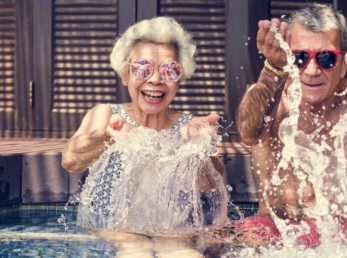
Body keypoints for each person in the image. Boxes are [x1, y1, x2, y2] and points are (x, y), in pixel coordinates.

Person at [235, 3, 347, 248]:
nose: (311, 70)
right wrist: (273, 70)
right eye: (299, 57)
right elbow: (248, 133)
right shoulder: (271, 97)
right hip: (275, 229)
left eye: (326, 58)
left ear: (344, 63)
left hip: (346, 232)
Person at [61, 16, 228, 257]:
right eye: (142, 68)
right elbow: (70, 160)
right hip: (114, 226)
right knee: (136, 248)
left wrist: (202, 148)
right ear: (125, 74)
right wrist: (106, 137)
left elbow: (210, 187)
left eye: (169, 70)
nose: (156, 79)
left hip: (170, 230)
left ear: (179, 80)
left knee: (182, 251)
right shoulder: (106, 114)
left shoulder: (189, 126)